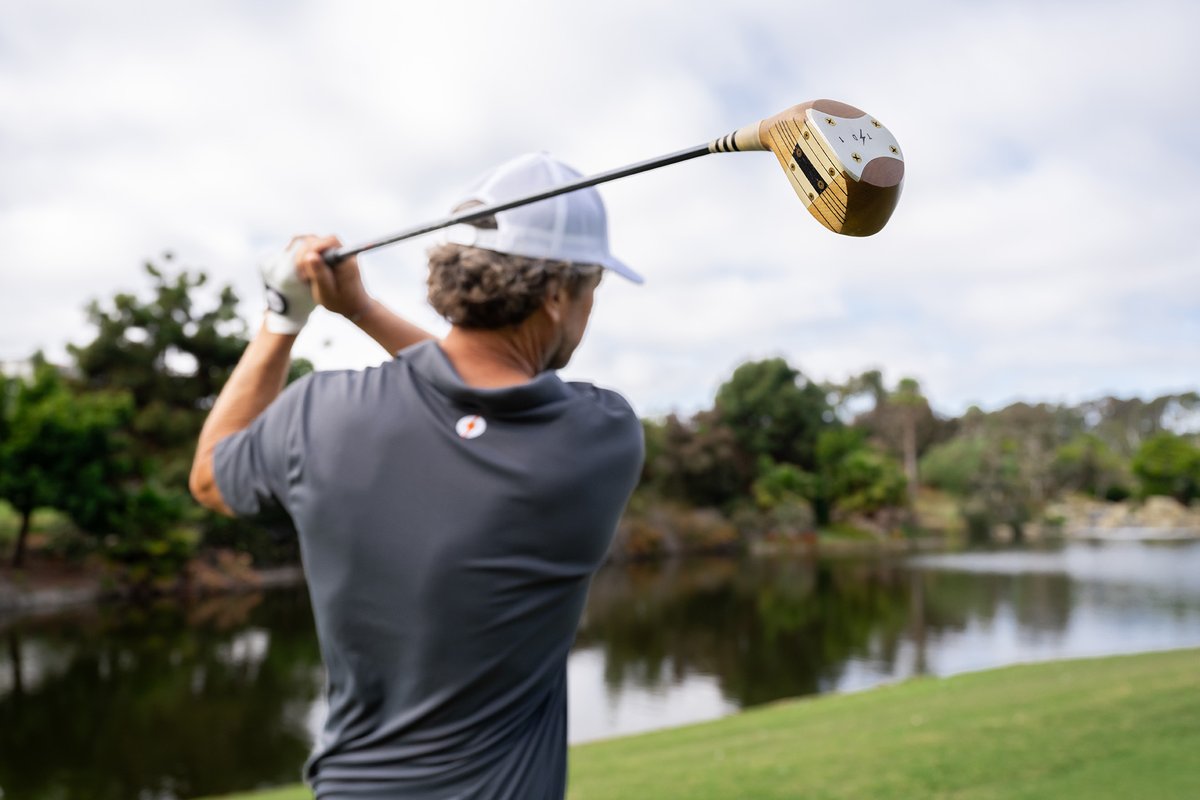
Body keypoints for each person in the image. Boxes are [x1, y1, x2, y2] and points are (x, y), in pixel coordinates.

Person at [189, 152, 645, 799]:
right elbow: (472, 385)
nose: (588, 311)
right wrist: (362, 310)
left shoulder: (320, 415)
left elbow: (210, 476)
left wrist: (282, 316)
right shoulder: (601, 437)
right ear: (555, 295)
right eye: (592, 289)